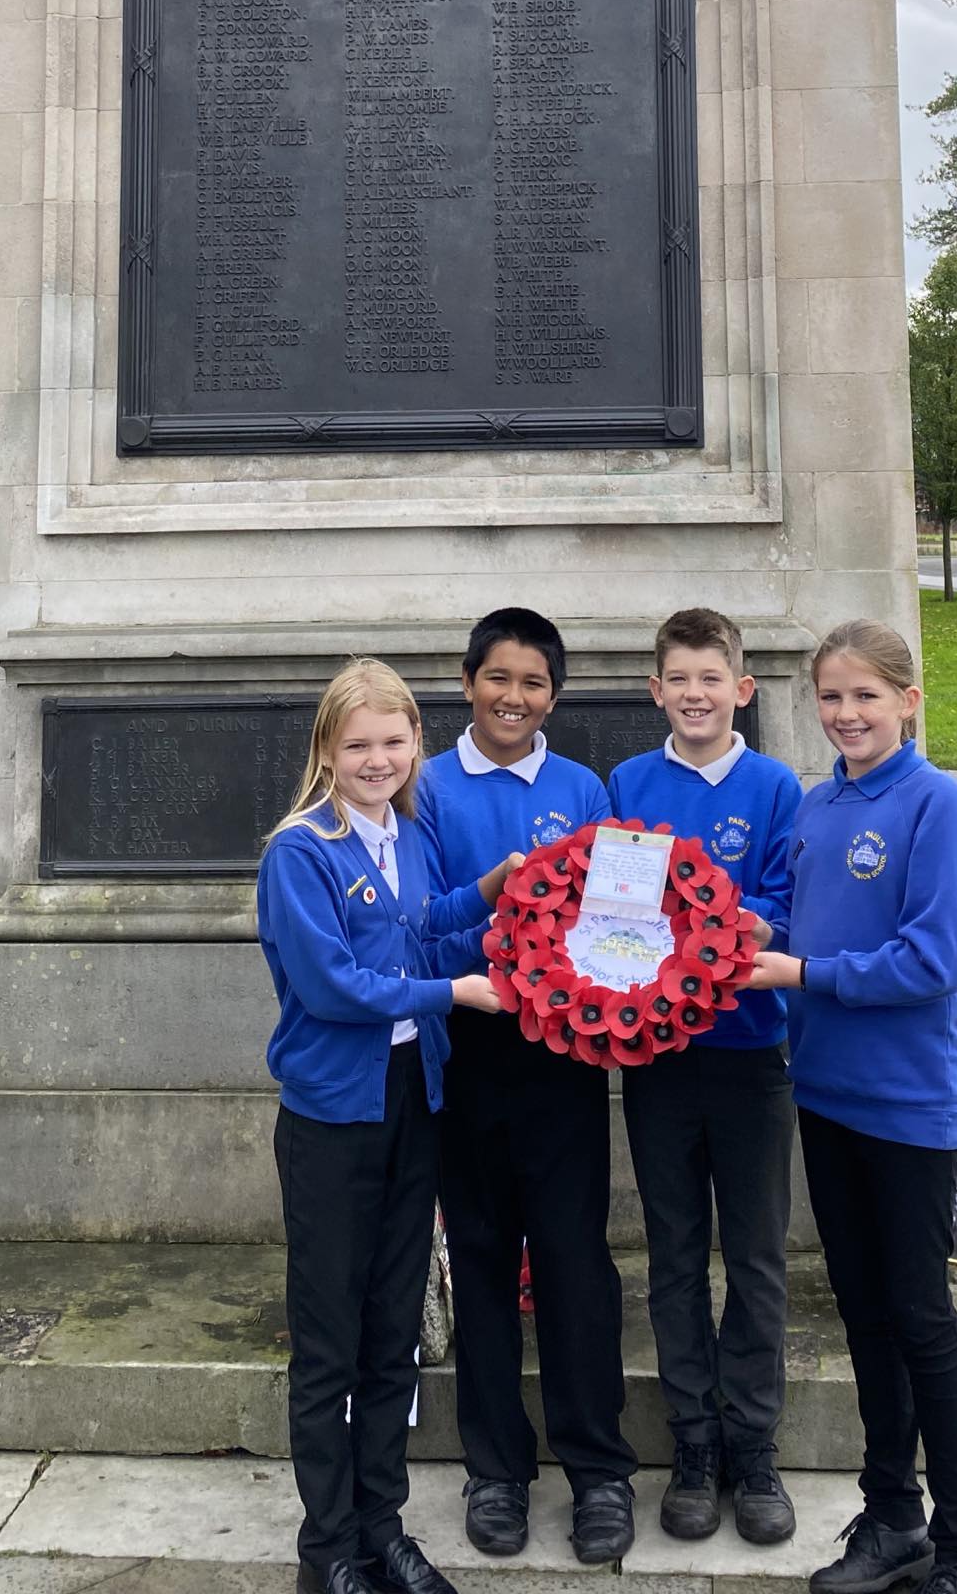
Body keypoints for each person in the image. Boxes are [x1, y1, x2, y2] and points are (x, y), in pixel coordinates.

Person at [257, 658, 514, 1594]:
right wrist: (456, 990)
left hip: (415, 1098)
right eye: (358, 744)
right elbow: (333, 987)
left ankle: (383, 1528)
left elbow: (424, 926)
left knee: (392, 1330)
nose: (378, 759)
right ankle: (326, 1552)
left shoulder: (407, 832)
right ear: (327, 749)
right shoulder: (300, 852)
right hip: (333, 1116)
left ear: (416, 745)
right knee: (329, 1340)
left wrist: (503, 895)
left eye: (394, 741)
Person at [748, 620, 957, 1594]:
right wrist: (716, 929)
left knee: (921, 1317)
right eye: (833, 697)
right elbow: (798, 929)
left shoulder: (939, 805)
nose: (847, 713)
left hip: (904, 1104)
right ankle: (891, 1513)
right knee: (863, 1315)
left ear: (908, 701)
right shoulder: (814, 807)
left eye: (866, 696)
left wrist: (805, 970)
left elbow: (933, 960)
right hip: (827, 1094)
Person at [418, 607, 638, 1565]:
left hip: (563, 1062)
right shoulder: (424, 790)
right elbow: (422, 931)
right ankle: (497, 1470)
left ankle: (599, 1471)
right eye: (498, 678)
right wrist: (497, 919)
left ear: (556, 695)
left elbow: (611, 929)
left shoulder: (583, 787)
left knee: (572, 1258)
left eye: (535, 683)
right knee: (479, 1253)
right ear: (468, 681)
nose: (515, 698)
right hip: (468, 1050)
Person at [606, 607, 802, 1545]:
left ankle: (753, 1445)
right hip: (658, 1061)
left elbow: (783, 907)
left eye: (711, 680)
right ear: (657, 690)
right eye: (678, 680)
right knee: (676, 1260)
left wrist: (720, 916)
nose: (695, 695)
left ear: (742, 690)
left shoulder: (775, 789)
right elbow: (611, 915)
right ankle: (694, 1445)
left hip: (750, 1054)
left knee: (757, 1260)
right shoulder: (628, 783)